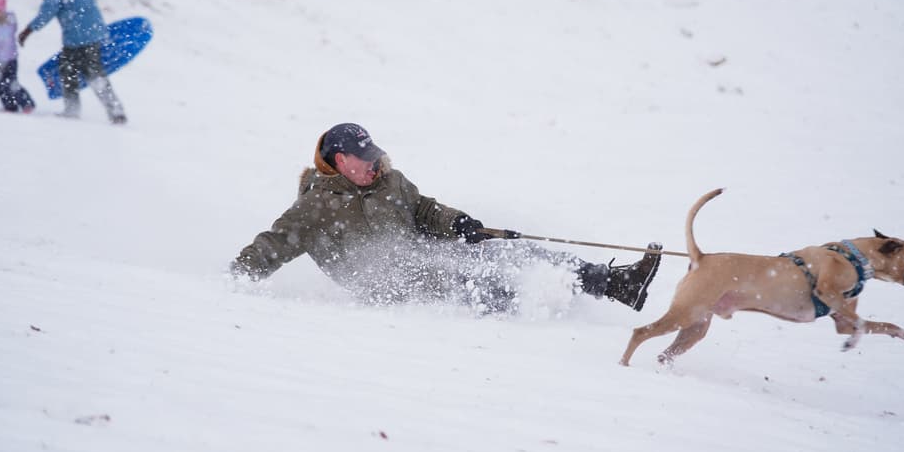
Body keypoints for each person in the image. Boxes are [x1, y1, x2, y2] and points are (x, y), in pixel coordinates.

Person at [232, 123, 663, 313]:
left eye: (372, 155)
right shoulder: (315, 207)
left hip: (422, 252)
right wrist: (234, 279)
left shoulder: (388, 180)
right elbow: (274, 244)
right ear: (340, 160)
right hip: (388, 285)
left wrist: (460, 224)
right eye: (362, 159)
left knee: (512, 251)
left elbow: (423, 210)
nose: (371, 164)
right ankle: (531, 321)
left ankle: (616, 284)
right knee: (480, 284)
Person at [18, 0, 127, 124]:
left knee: (69, 69)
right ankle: (115, 111)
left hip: (77, 31)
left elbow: (49, 8)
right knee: (92, 71)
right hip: (92, 26)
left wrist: (28, 30)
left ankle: (72, 111)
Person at [0, 0, 35, 113]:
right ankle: (10, 106)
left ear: (3, 12)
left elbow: (6, 41)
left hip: (10, 60)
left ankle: (27, 104)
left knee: (11, 84)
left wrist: (2, 59)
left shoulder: (8, 24)